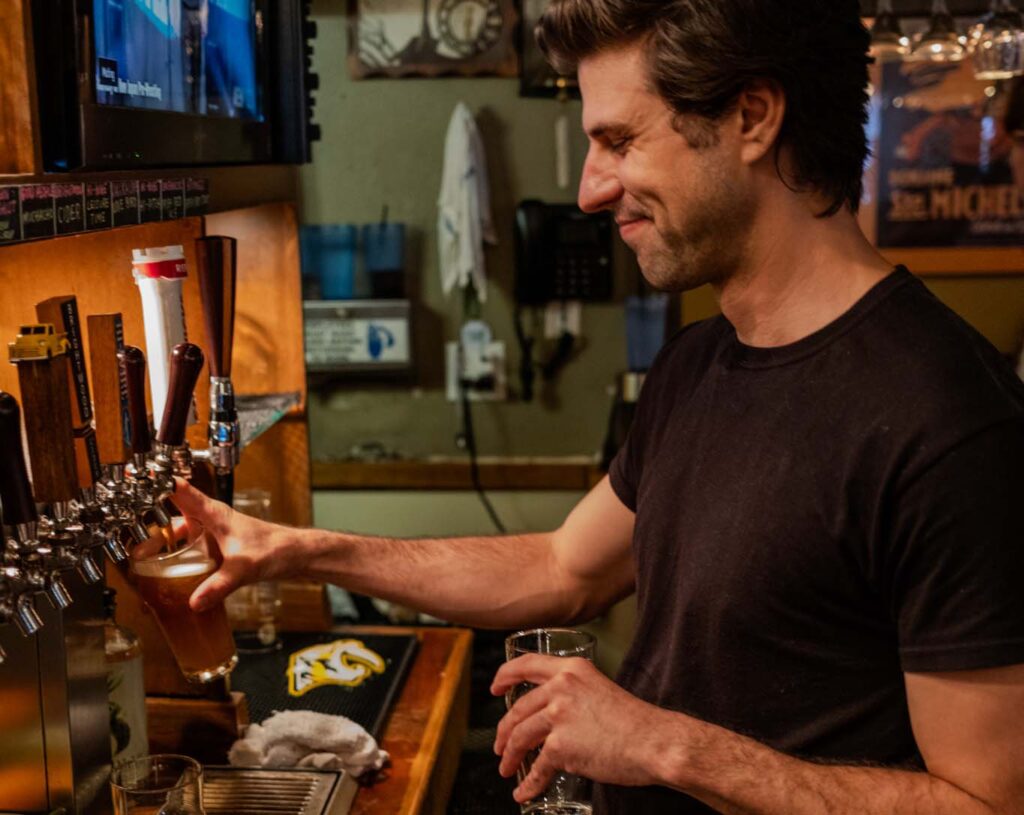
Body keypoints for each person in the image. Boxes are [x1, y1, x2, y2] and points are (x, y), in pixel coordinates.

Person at [173, 1, 1024, 812]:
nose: (588, 189)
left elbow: (991, 801)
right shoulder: (698, 361)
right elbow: (561, 569)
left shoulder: (951, 423)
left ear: (753, 117)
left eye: (619, 140)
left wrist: (663, 745)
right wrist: (295, 551)